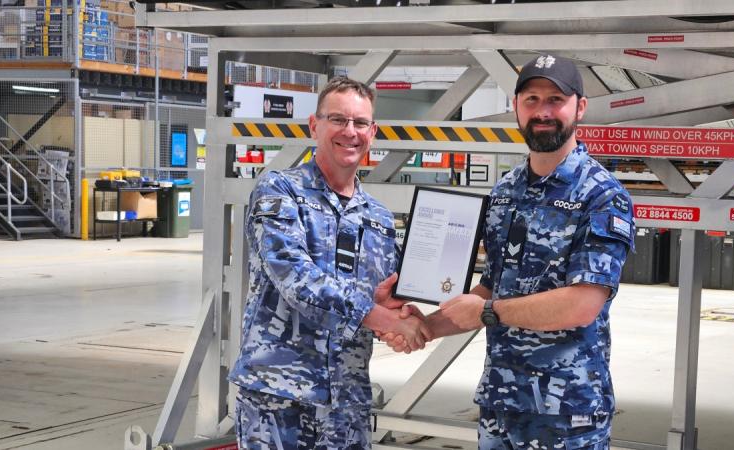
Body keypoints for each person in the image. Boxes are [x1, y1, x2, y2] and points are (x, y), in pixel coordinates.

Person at [384, 54, 635, 449]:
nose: (543, 111)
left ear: (579, 108)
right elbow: (492, 287)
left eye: (555, 99)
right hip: (502, 404)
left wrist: (487, 311)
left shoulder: (602, 196)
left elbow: (582, 304)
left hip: (566, 412)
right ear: (516, 108)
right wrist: (427, 326)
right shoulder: (505, 191)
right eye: (531, 99)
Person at [229, 76, 431, 450]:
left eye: (359, 123)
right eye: (337, 120)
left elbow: (382, 297)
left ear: (373, 132)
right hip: (278, 398)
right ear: (315, 125)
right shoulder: (279, 190)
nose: (349, 132)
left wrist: (395, 312)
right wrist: (379, 316)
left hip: (347, 404)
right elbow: (296, 279)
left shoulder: (379, 218)